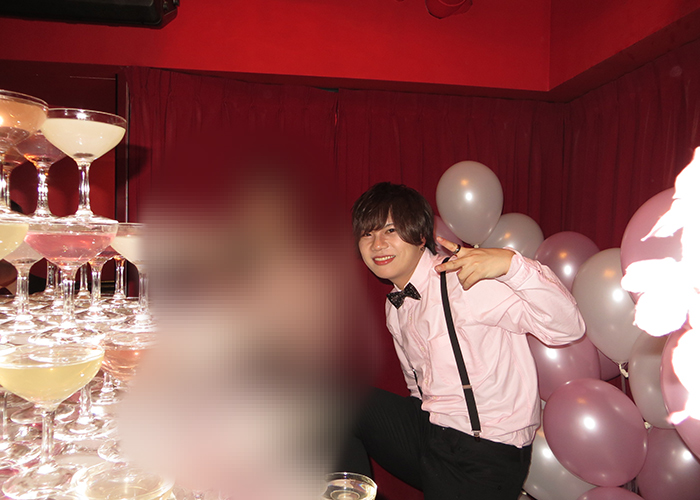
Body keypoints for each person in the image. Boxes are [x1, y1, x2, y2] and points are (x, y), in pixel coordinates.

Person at [344, 182, 585, 500]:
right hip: (430, 430)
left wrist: (511, 265)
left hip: (484, 451)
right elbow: (416, 382)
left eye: (390, 230)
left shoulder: (466, 280)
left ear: (420, 236)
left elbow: (568, 328)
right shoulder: (395, 305)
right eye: (367, 234)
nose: (378, 244)